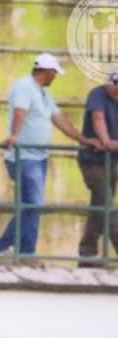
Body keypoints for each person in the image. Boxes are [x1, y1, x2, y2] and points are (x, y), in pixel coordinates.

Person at [0, 53, 100, 259]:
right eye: (54, 73)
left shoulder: (44, 94)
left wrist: (82, 139)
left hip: (39, 157)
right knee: (33, 204)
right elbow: (20, 112)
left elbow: (59, 119)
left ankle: (21, 251)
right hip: (24, 157)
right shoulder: (24, 86)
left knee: (32, 206)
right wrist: (14, 135)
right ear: (47, 72)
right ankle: (7, 247)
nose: (55, 77)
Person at [76, 67, 118, 267]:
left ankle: (87, 254)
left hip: (112, 163)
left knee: (99, 207)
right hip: (93, 161)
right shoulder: (98, 95)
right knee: (108, 206)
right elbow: (98, 118)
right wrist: (107, 141)